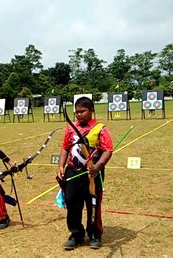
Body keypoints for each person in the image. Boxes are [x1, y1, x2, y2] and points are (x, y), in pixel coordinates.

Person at [57, 97, 113, 250]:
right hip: (72, 171)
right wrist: (61, 165)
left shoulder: (100, 128)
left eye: (82, 111)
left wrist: (98, 165)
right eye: (76, 112)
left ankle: (94, 234)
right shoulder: (70, 128)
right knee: (71, 201)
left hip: (92, 173)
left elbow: (108, 150)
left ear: (91, 110)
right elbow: (65, 147)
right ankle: (76, 234)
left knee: (92, 204)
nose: (79, 115)